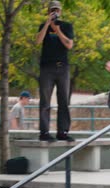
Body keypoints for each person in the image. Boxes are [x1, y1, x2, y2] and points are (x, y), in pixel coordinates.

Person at [36, 0, 74, 142]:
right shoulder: (43, 26)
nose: (55, 12)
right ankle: (44, 132)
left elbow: (69, 44)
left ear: (61, 11)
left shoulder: (66, 26)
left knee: (63, 100)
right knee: (45, 101)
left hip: (62, 67)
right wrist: (47, 24)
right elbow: (38, 41)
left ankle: (62, 131)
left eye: (57, 10)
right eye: (52, 10)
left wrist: (57, 30)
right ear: (48, 12)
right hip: (47, 68)